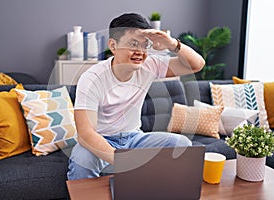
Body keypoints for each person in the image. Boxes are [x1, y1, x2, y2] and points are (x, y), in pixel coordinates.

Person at [67, 13, 205, 180]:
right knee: (82, 161)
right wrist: (121, 161)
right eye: (133, 44)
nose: (140, 52)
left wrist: (172, 44)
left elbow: (197, 65)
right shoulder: (92, 78)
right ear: (113, 46)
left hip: (134, 138)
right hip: (100, 139)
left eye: (145, 45)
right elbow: (86, 133)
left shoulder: (150, 65)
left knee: (181, 144)